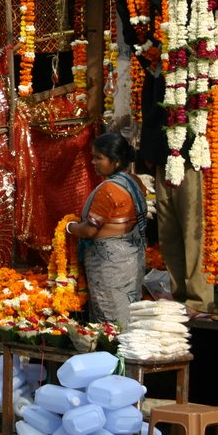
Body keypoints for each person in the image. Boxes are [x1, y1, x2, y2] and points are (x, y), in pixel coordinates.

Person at [114, 0, 214, 314]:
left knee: (191, 227)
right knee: (169, 227)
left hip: (187, 154)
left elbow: (175, 26)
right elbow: (135, 34)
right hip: (162, 156)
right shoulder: (153, 74)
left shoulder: (187, 65)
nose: (152, 55)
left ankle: (199, 299)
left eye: (159, 49)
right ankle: (181, 293)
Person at [66, 132, 148, 328]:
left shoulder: (109, 190)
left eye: (99, 158)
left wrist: (69, 227)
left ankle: (112, 356)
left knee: (110, 322)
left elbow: (89, 231)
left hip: (110, 268)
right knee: (128, 315)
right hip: (130, 264)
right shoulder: (135, 183)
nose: (93, 162)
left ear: (116, 161)